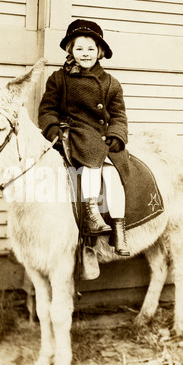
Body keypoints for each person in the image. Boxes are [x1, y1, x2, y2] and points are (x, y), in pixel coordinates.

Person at [38, 19, 130, 256]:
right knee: (90, 164)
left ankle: (119, 229)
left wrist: (116, 135)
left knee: (114, 175)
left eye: (90, 49)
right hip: (75, 134)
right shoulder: (59, 79)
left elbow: (119, 115)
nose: (85, 54)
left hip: (102, 138)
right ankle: (91, 215)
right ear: (70, 50)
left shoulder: (111, 84)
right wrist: (51, 128)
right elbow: (47, 109)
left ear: (99, 52)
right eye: (79, 48)